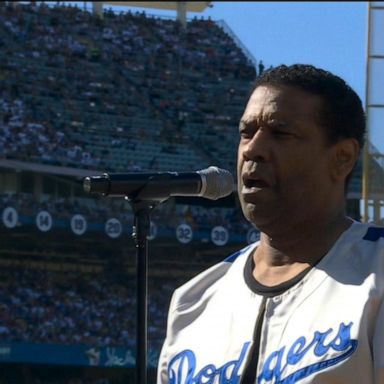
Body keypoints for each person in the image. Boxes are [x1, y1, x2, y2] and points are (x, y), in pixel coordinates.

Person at [157, 64, 384, 384]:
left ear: (343, 157)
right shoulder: (193, 300)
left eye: (281, 133)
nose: (253, 149)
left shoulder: (378, 273)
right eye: (246, 132)